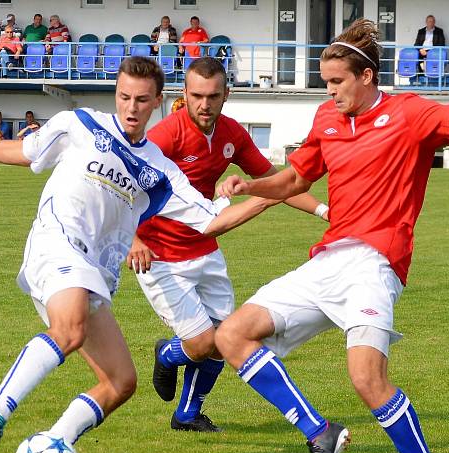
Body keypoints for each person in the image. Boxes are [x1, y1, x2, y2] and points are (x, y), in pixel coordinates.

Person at [0, 56, 287, 453]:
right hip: (57, 244)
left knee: (121, 383)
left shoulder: (160, 171)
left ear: (158, 101)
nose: (131, 107)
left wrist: (274, 195)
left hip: (95, 273)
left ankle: (56, 442)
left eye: (142, 100)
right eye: (124, 97)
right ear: (115, 95)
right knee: (69, 330)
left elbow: (212, 219)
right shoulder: (79, 124)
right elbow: (26, 151)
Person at [216, 19, 449, 453]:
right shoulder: (327, 122)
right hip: (328, 258)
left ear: (366, 76)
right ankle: (320, 432)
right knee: (232, 336)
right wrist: (249, 185)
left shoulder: (409, 114)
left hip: (375, 263)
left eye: (337, 82)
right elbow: (291, 181)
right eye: (326, 82)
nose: (330, 92)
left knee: (366, 379)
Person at [128, 57, 330, 433]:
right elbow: (121, 190)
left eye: (213, 96)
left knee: (225, 340)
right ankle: (168, 354)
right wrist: (133, 239)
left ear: (226, 95)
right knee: (204, 342)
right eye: (197, 95)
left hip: (205, 248)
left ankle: (187, 414)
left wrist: (324, 210)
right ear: (184, 94)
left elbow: (278, 182)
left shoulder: (232, 134)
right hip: (161, 256)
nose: (205, 104)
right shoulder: (164, 137)